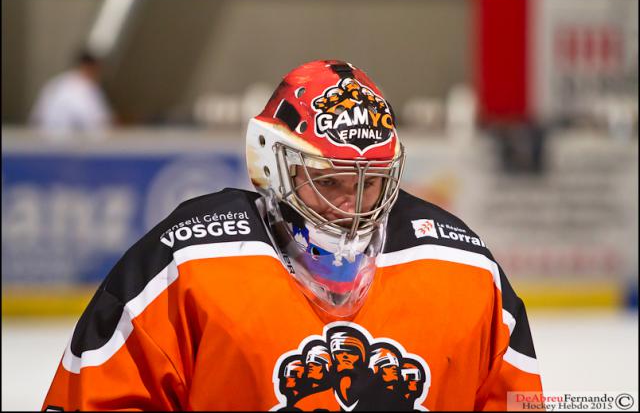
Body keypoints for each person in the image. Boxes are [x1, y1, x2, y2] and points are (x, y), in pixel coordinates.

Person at [42, 60, 543, 411]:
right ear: (272, 165)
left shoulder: (466, 270)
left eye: (370, 185)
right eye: (328, 181)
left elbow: (517, 399)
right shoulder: (186, 261)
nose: (349, 206)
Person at [29, 50, 113, 138]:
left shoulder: (56, 83)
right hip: (66, 147)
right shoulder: (85, 87)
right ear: (91, 68)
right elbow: (100, 125)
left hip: (41, 144)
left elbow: (35, 120)